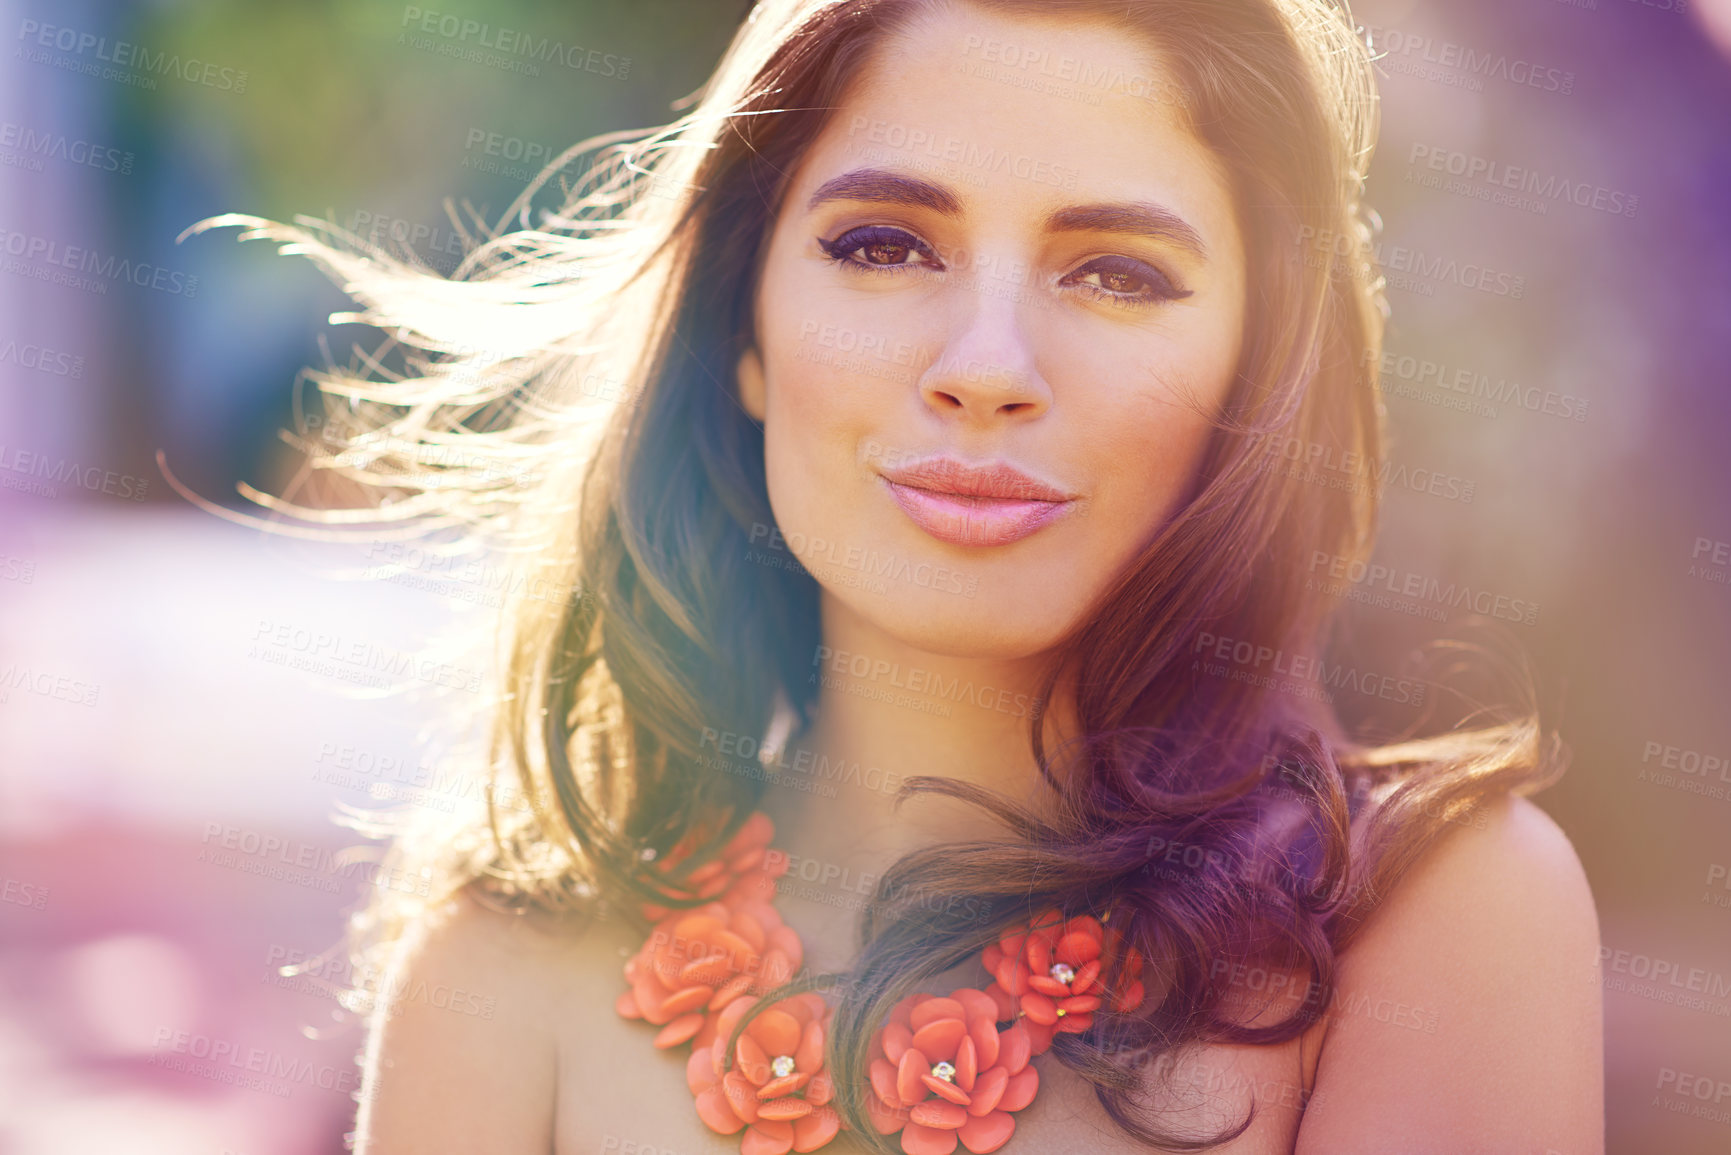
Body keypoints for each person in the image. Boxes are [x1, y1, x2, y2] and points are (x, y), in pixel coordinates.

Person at [212, 0, 1603, 1150]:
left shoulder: (1434, 929)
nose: (987, 367)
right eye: (883, 246)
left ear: (1257, 372)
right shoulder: (499, 970)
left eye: (1116, 272)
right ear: (741, 331)